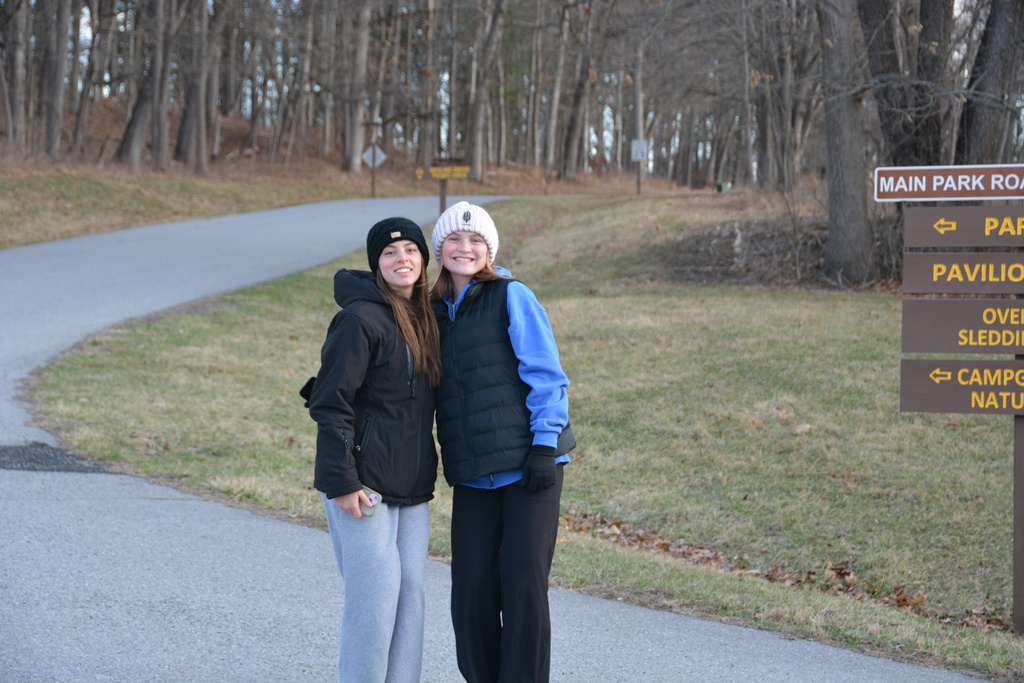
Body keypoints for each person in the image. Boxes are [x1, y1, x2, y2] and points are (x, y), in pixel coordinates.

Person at [430, 201, 575, 683]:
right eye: (454, 239)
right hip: (474, 471)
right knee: (470, 591)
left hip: (529, 463)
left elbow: (546, 375)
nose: (464, 248)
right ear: (440, 249)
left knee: (521, 584)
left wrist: (543, 445)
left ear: (489, 249)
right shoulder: (430, 311)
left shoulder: (511, 295)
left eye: (475, 241)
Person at [307, 217, 442, 683]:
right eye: (389, 253)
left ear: (423, 260)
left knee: (410, 596)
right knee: (374, 602)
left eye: (410, 249)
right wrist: (342, 481)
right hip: (362, 484)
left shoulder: (426, 319)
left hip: (412, 484)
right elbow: (329, 402)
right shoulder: (359, 320)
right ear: (376, 264)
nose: (401, 258)